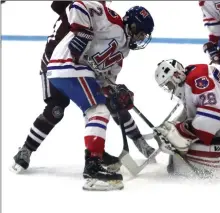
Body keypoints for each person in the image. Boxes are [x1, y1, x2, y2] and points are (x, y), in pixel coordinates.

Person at [12, 1, 155, 176]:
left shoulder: (122, 48)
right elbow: (73, 6)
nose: (140, 39)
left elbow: (106, 79)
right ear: (132, 26)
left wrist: (114, 90)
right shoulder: (102, 16)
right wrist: (83, 33)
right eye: (140, 34)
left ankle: (98, 152)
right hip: (58, 60)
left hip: (79, 68)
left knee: (108, 103)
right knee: (58, 108)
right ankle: (28, 150)